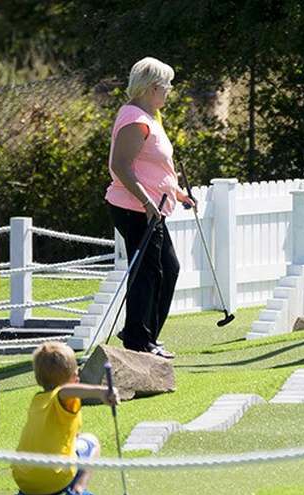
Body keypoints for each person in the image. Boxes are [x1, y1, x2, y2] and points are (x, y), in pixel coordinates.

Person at [105, 56, 196, 359]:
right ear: (154, 87)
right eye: (168, 85)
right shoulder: (135, 119)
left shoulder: (149, 116)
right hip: (135, 207)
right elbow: (120, 166)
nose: (170, 91)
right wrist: (145, 200)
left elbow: (155, 169)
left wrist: (179, 194)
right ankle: (138, 340)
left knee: (167, 269)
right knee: (148, 272)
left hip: (153, 207)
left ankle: (145, 335)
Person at [10, 341, 120, 495]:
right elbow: (64, 391)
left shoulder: (37, 400)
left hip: (23, 480)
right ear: (74, 377)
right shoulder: (62, 397)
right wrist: (100, 391)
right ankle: (77, 494)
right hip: (55, 479)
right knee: (92, 441)